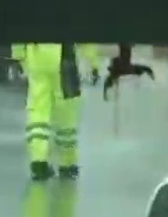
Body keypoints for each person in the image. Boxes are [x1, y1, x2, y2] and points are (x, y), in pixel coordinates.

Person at [9, 43, 103, 181]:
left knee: (38, 109)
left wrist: (18, 56)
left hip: (36, 58)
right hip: (63, 60)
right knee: (66, 110)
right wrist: (94, 63)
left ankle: (38, 161)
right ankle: (67, 163)